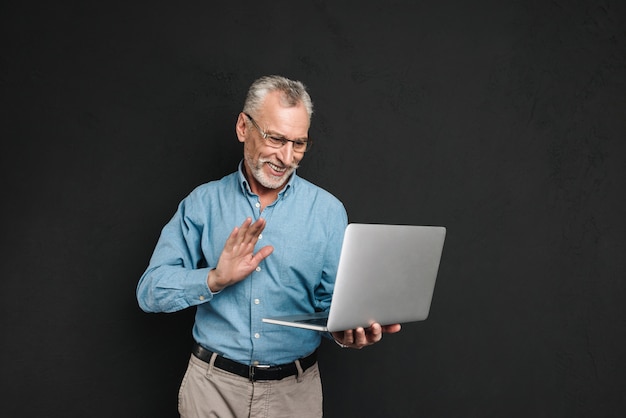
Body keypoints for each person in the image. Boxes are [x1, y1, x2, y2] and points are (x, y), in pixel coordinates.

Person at [136, 75, 401, 417]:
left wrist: (345, 332)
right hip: (211, 390)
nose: (286, 157)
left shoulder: (328, 211)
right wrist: (214, 278)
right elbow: (150, 291)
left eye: (299, 144)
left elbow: (329, 304)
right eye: (276, 139)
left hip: (294, 395)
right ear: (243, 127)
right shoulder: (202, 203)